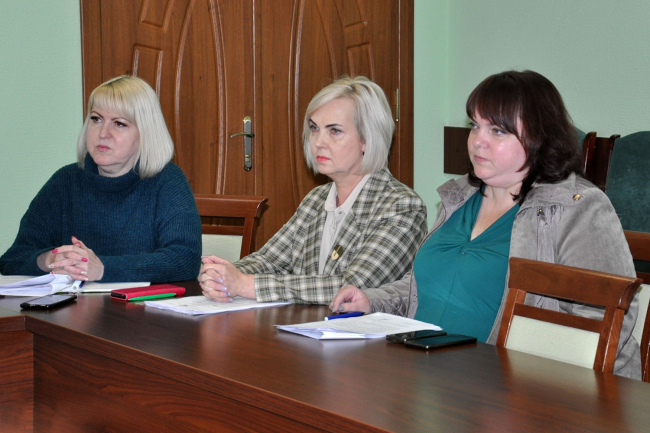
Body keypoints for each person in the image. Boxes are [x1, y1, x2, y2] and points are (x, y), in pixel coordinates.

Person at [330, 70, 640, 379]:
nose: (478, 141)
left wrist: (519, 382)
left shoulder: (576, 207)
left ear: (539, 137)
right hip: (423, 373)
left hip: (520, 387)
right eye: (475, 126)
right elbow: (427, 286)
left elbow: (606, 320)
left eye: (498, 131)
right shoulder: (459, 197)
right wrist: (373, 300)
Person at [199, 76, 427, 304]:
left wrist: (246, 284)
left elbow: (352, 286)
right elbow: (269, 260)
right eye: (314, 128)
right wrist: (222, 274)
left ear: (367, 139)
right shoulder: (316, 198)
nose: (318, 142)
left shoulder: (402, 207)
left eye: (335, 131)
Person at [0, 75, 202, 283]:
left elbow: (184, 260)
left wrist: (103, 269)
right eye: (96, 119)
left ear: (146, 133)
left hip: (144, 304)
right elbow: (12, 260)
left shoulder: (167, 181)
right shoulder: (64, 181)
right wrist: (49, 259)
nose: (103, 133)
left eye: (119, 123)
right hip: (73, 304)